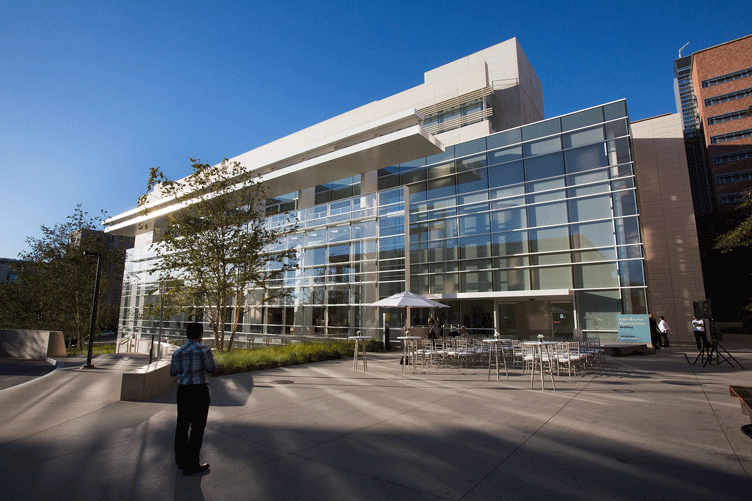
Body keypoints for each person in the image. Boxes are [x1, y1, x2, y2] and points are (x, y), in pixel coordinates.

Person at [170, 322, 217, 476]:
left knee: (182, 427)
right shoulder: (204, 350)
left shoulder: (177, 352)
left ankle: (181, 461)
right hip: (199, 391)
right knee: (197, 429)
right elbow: (212, 368)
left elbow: (173, 372)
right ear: (200, 334)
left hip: (183, 391)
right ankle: (192, 465)